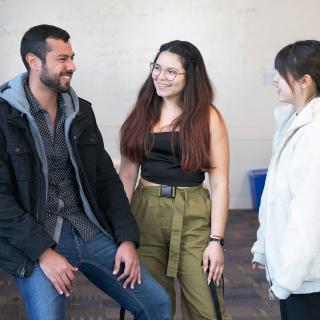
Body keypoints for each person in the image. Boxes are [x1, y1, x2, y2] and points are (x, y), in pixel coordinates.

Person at [0, 24, 171, 320]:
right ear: (33, 61)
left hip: (87, 228)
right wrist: (43, 252)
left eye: (72, 57)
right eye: (63, 59)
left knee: (157, 304)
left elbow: (106, 180)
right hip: (36, 238)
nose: (72, 66)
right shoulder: (5, 115)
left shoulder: (80, 111)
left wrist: (126, 240)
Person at [119, 40, 230, 320]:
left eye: (171, 72)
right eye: (157, 68)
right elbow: (127, 177)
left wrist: (216, 241)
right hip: (145, 212)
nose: (160, 76)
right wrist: (121, 234)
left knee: (206, 306)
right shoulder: (141, 112)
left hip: (193, 213)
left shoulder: (208, 117)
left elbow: (219, 184)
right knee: (154, 304)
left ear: (190, 76)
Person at [251, 40, 320, 320]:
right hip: (295, 274)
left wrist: (285, 279)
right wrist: (263, 248)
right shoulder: (293, 122)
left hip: (305, 278)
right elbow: (276, 198)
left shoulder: (313, 134)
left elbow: (308, 215)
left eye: (280, 74)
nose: (274, 80)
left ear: (304, 81)